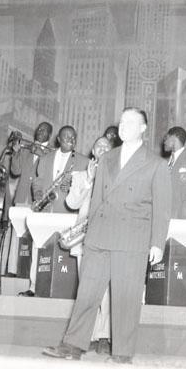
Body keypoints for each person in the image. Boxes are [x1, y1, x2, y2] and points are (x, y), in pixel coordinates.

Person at [42, 107, 171, 364]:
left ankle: (122, 354)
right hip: (99, 237)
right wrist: (88, 234)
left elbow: (163, 208)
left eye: (130, 122)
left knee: (126, 298)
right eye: (121, 121)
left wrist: (157, 243)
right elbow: (97, 200)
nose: (123, 126)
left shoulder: (156, 164)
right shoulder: (107, 158)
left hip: (132, 239)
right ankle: (73, 346)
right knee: (87, 293)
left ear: (143, 128)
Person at [22, 125, 88, 296]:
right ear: (58, 139)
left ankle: (69, 289)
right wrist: (38, 195)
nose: (71, 140)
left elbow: (85, 187)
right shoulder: (45, 158)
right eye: (67, 137)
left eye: (74, 137)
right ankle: (34, 286)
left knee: (69, 252)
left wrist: (72, 186)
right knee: (39, 246)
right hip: (45, 209)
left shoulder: (83, 161)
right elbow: (37, 181)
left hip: (67, 212)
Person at [65, 136, 113, 355]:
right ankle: (89, 336)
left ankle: (104, 335)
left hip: (108, 238)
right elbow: (72, 203)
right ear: (93, 150)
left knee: (106, 291)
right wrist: (88, 181)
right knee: (87, 289)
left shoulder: (117, 176)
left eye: (107, 146)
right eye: (99, 146)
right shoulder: (79, 176)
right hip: (84, 239)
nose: (102, 148)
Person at [2, 122, 53, 276]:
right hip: (22, 197)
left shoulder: (52, 153)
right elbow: (15, 171)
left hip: (38, 200)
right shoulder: (26, 149)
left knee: (36, 237)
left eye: (44, 130)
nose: (40, 131)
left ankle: (31, 273)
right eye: (39, 128)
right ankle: (12, 270)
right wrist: (16, 152)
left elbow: (52, 173)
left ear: (50, 135)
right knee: (16, 235)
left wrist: (42, 154)